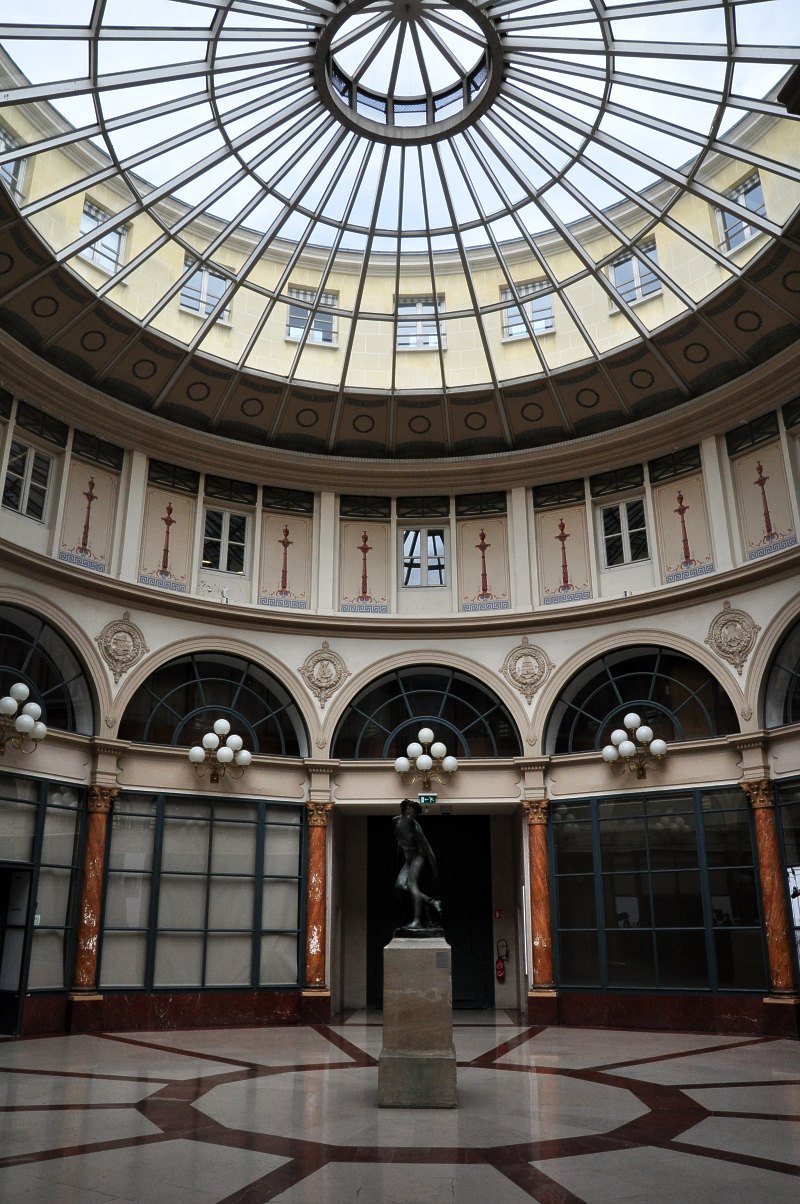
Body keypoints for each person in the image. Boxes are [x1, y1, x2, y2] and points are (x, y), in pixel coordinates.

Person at [393, 798, 442, 930]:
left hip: (418, 857)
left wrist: (434, 869)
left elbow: (428, 850)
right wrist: (400, 858)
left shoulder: (416, 828)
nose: (414, 815)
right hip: (408, 859)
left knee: (411, 885)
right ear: (406, 810)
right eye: (413, 811)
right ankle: (432, 902)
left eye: (415, 813)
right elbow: (400, 842)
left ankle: (417, 922)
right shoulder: (395, 822)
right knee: (399, 886)